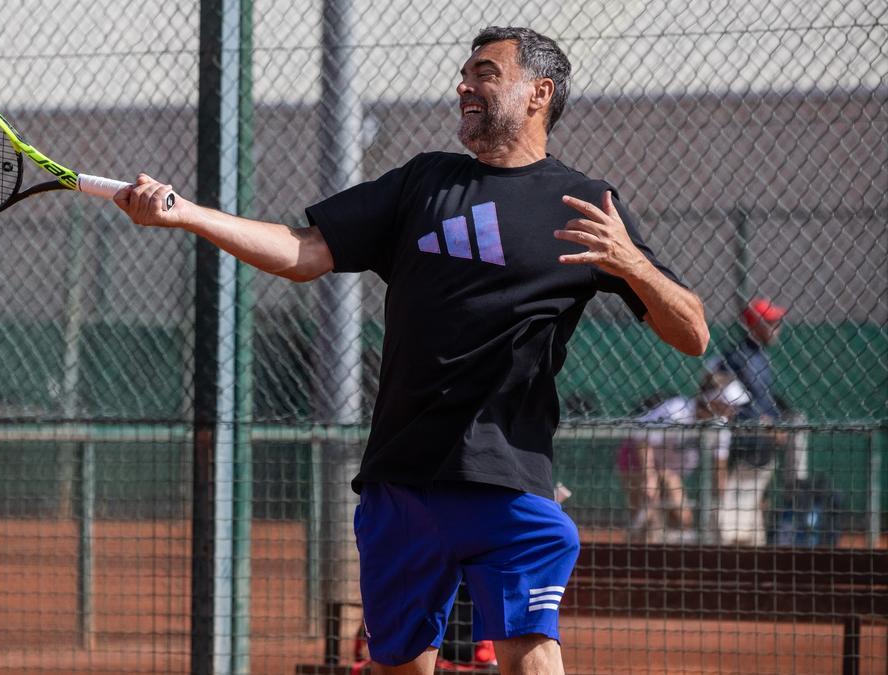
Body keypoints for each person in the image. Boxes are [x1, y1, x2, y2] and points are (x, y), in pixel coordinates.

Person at [113, 26, 709, 675]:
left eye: (484, 71)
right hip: (403, 482)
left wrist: (633, 266)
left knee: (533, 655)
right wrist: (186, 213)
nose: (463, 84)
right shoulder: (425, 183)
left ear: (539, 92)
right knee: (399, 664)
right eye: (464, 73)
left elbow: (692, 331)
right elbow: (303, 251)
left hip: (510, 482)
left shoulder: (587, 205)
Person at [618, 373, 750, 544]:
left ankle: (663, 555)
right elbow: (643, 441)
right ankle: (635, 547)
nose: (733, 410)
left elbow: (720, 466)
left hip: (668, 468)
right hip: (636, 456)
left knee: (682, 517)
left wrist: (721, 501)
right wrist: (649, 478)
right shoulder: (677, 410)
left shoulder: (720, 425)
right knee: (648, 513)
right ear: (712, 401)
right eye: (729, 405)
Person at [716, 297, 787, 422]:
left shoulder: (761, 354)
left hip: (764, 428)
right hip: (746, 429)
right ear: (754, 325)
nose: (777, 328)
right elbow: (727, 401)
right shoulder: (737, 357)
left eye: (778, 322)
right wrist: (757, 420)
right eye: (771, 323)